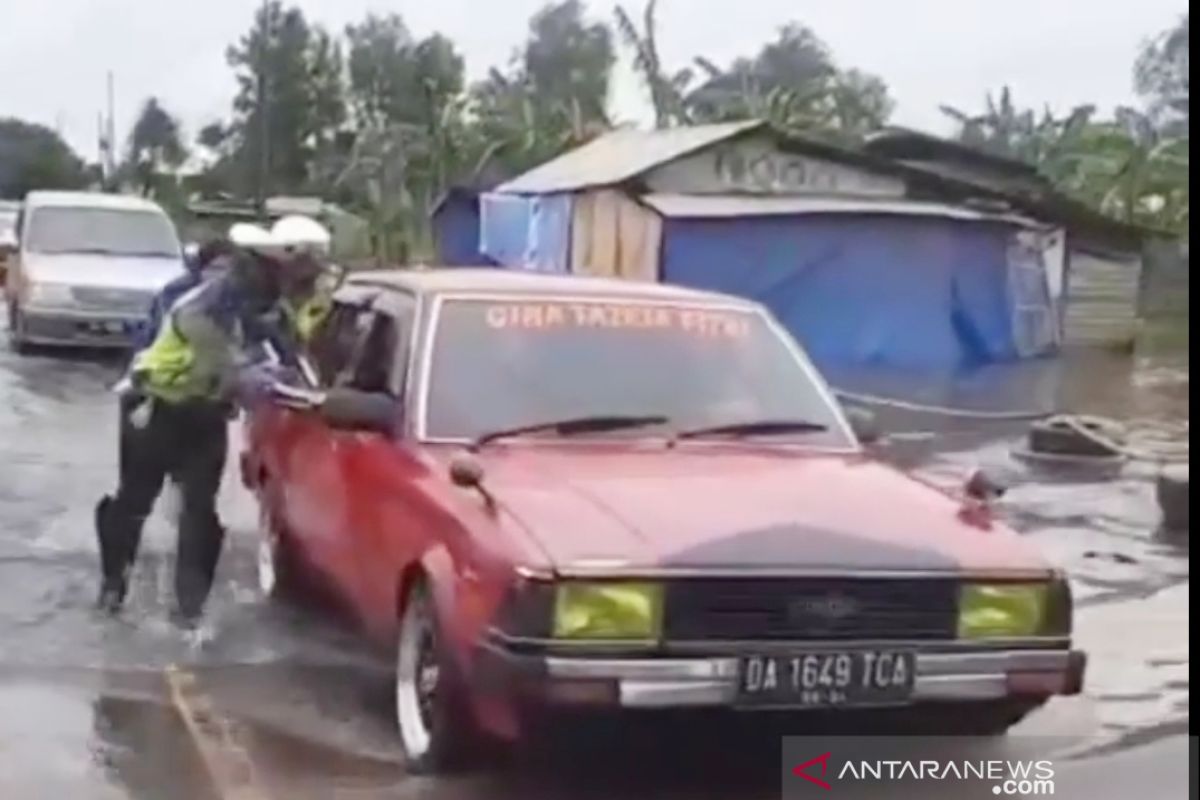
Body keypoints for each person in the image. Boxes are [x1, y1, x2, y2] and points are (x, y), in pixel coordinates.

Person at [94, 228, 284, 625]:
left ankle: (190, 608)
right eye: (215, 269)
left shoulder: (246, 306)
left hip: (204, 415)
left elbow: (274, 349)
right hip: (154, 408)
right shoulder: (189, 303)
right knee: (134, 503)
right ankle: (114, 585)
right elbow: (222, 361)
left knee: (200, 511)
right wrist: (250, 378)